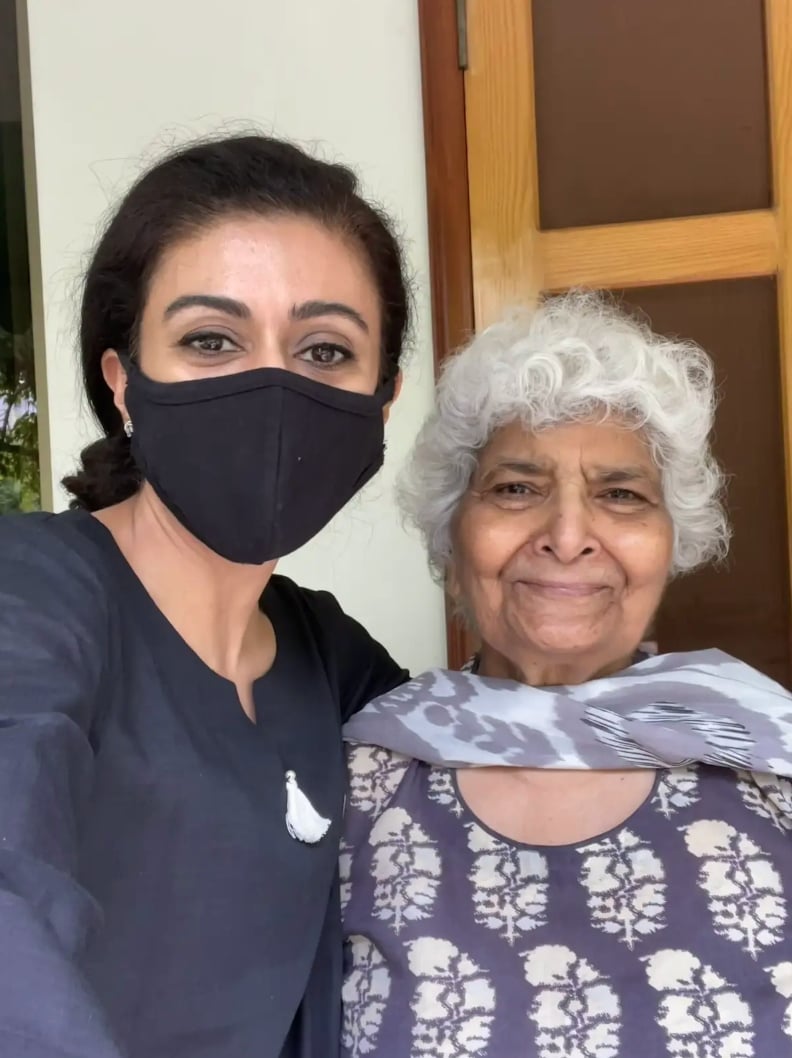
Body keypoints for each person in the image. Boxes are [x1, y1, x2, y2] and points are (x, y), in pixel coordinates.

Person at [0, 134, 412, 1058]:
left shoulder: (330, 659)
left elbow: (492, 763)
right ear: (124, 382)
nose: (272, 386)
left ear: (380, 405)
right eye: (210, 341)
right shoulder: (31, 591)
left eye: (325, 350)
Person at [342, 291, 792, 1057]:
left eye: (621, 495)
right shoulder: (356, 788)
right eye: (517, 488)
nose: (569, 534)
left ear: (671, 542)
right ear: (454, 534)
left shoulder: (771, 769)